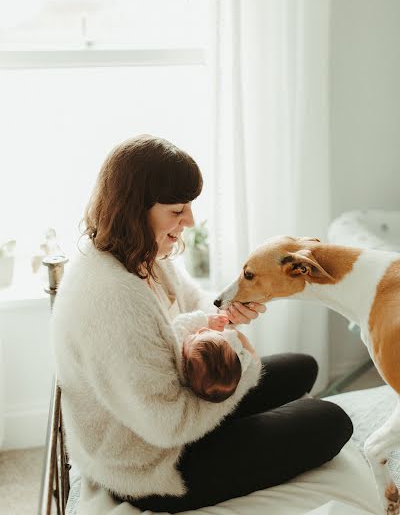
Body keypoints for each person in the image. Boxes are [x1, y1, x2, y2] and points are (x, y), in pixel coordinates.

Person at [52, 135, 353, 513]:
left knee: (301, 367)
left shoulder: (143, 255)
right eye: (177, 210)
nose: (190, 221)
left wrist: (227, 317)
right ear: (134, 209)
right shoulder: (113, 298)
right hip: (150, 462)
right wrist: (244, 370)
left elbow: (194, 306)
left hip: (168, 401)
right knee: (330, 420)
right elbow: (166, 425)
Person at [177, 311, 258, 403]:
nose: (204, 329)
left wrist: (205, 320)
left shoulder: (179, 349)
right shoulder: (235, 354)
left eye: (193, 339)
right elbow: (248, 356)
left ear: (186, 367)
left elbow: (179, 323)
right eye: (218, 335)